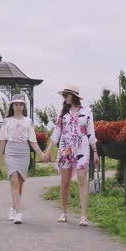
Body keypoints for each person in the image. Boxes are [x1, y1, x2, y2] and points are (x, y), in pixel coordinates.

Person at [43, 84, 97, 226]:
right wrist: (48, 150)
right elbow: (56, 133)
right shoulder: (63, 115)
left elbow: (91, 133)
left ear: (73, 96)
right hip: (65, 149)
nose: (64, 98)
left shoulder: (87, 111)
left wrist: (95, 151)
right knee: (65, 181)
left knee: (82, 179)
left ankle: (84, 216)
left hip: (82, 148)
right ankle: (64, 212)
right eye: (64, 95)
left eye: (66, 95)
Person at [0, 93, 43, 224]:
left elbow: (33, 141)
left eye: (20, 104)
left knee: (20, 184)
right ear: (12, 106)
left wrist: (42, 155)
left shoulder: (28, 122)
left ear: (24, 106)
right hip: (11, 151)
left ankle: (13, 208)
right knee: (14, 181)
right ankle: (19, 212)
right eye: (16, 104)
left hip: (24, 153)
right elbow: (2, 141)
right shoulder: (7, 121)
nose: (18, 107)